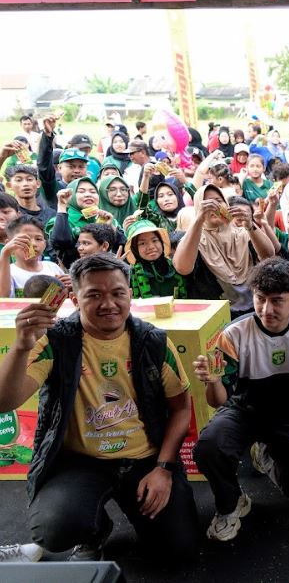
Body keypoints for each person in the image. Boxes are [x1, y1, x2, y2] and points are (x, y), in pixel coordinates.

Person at [0, 253, 198, 560]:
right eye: (94, 295)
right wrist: (21, 346)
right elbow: (4, 402)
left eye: (118, 293)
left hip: (144, 459)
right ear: (76, 299)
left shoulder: (154, 342)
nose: (108, 304)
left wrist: (163, 469)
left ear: (130, 295)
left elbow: (182, 409)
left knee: (178, 548)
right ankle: (93, 530)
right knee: (55, 529)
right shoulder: (55, 341)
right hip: (80, 461)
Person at [193, 258, 289, 541]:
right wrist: (213, 380)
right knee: (209, 447)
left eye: (277, 301)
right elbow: (218, 401)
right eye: (260, 299)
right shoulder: (233, 334)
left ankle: (268, 456)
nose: (267, 310)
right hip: (246, 408)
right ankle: (230, 504)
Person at [173, 185, 276, 316]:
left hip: (256, 310)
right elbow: (182, 267)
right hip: (217, 316)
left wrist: (250, 224)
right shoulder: (194, 240)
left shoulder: (243, 233)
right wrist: (199, 219)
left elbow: (268, 255)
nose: (214, 206)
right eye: (207, 203)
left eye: (218, 200)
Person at [0, 216, 66, 298]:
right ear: (9, 244)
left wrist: (71, 286)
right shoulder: (8, 272)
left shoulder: (53, 268)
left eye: (38, 239)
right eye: (24, 239)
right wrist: (5, 253)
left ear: (45, 244)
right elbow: (3, 297)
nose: (33, 244)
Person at [125, 220, 187, 299]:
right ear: (135, 249)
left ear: (161, 242)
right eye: (142, 243)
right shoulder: (131, 275)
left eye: (154, 240)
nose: (151, 247)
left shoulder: (176, 265)